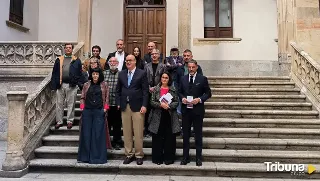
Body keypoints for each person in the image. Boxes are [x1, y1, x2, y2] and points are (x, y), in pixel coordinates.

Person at [116, 54, 149, 165]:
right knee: (127, 131)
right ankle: (129, 154)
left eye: (130, 60)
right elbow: (118, 91)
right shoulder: (122, 74)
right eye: (126, 61)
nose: (128, 62)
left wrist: (144, 105)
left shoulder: (142, 73)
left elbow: (145, 91)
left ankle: (139, 154)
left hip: (138, 106)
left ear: (135, 61)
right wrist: (119, 103)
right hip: (125, 106)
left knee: (138, 132)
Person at [179, 60, 211, 166]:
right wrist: (182, 98)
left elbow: (208, 93)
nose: (191, 69)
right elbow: (179, 92)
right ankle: (185, 157)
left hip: (197, 111)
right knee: (186, 135)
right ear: (187, 68)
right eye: (189, 67)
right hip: (186, 111)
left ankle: (198, 158)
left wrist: (200, 99)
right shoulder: (183, 78)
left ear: (196, 67)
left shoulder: (202, 79)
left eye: (193, 67)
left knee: (198, 135)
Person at [78, 68, 111, 164]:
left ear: (99, 75)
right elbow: (82, 97)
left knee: (98, 135)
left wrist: (105, 109)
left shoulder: (104, 85)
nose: (95, 76)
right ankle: (85, 157)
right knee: (86, 134)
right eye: (93, 74)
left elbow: (107, 98)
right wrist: (82, 108)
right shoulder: (86, 85)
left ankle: (98, 158)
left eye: (97, 74)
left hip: (99, 111)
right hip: (87, 111)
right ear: (91, 75)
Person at [50, 43, 85, 130]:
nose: (68, 49)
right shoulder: (59, 59)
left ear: (72, 49)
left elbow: (80, 73)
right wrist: (53, 85)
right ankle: (59, 121)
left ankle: (70, 121)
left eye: (70, 48)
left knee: (71, 104)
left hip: (72, 85)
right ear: (64, 49)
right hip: (60, 85)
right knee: (59, 104)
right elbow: (54, 73)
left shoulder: (76, 60)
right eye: (66, 48)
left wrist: (78, 83)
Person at [148, 72, 180, 165]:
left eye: (166, 78)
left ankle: (168, 158)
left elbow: (176, 102)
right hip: (158, 115)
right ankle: (157, 158)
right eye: (163, 77)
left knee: (169, 138)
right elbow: (152, 101)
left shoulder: (173, 89)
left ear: (169, 79)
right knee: (157, 137)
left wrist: (169, 106)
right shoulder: (155, 89)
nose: (164, 79)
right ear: (160, 78)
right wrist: (160, 105)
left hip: (170, 116)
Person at [144, 49, 166, 137]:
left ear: (159, 55)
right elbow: (144, 78)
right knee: (148, 111)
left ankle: (156, 129)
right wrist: (148, 87)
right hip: (148, 91)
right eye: (152, 54)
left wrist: (156, 88)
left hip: (159, 91)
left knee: (157, 111)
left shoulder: (163, 66)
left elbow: (164, 78)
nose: (154, 55)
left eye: (156, 54)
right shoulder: (146, 66)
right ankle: (147, 129)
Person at [104, 57, 123, 150]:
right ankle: (107, 142)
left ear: (118, 63)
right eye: (111, 61)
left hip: (117, 104)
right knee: (107, 124)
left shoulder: (122, 74)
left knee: (117, 124)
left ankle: (117, 142)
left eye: (114, 61)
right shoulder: (104, 73)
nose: (112, 63)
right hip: (107, 104)